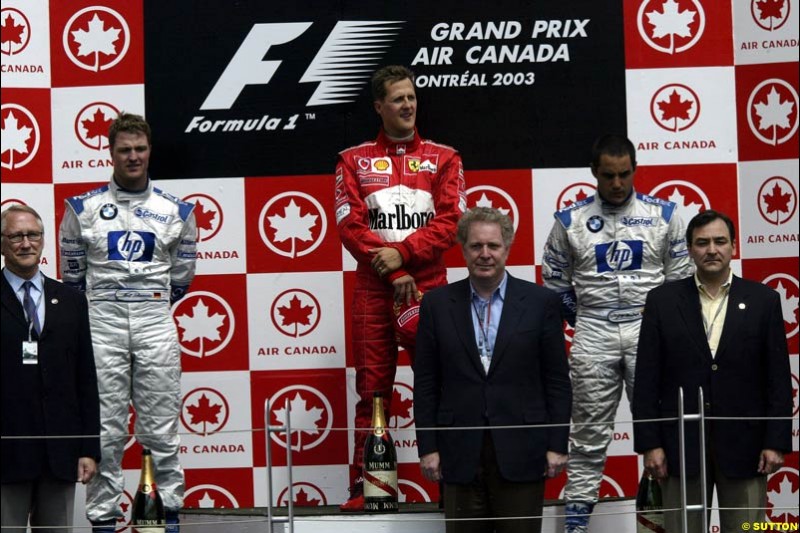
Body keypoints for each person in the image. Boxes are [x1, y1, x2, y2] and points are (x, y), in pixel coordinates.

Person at [541, 133, 693, 532]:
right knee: (588, 436)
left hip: (649, 329)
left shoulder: (663, 215)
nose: (617, 183)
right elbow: (554, 280)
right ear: (594, 173)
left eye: (625, 174)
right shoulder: (569, 220)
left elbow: (680, 280)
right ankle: (576, 526)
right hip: (595, 328)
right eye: (608, 175)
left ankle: (677, 522)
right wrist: (583, 319)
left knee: (663, 431)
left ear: (635, 170)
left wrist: (660, 326)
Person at [335, 65, 466, 511]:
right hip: (375, 290)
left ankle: (455, 481)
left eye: (411, 97)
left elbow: (451, 224)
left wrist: (405, 254)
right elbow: (349, 225)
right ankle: (369, 489)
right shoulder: (352, 159)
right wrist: (393, 270)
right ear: (379, 106)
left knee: (444, 383)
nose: (408, 105)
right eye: (397, 99)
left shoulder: (444, 157)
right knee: (372, 391)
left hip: (429, 289)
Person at [59, 113, 197, 532]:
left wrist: (147, 305)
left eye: (139, 148)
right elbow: (73, 278)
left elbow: (181, 280)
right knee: (105, 430)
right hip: (101, 325)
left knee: (161, 427)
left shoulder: (177, 211)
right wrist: (109, 308)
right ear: (111, 153)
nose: (133, 157)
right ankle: (103, 520)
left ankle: (165, 516)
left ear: (149, 150)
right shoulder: (81, 209)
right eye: (124, 150)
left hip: (155, 322)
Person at [632, 210, 792, 532]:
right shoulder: (662, 301)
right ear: (690, 249)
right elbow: (647, 380)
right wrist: (650, 445)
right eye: (702, 242)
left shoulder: (764, 301)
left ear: (733, 247)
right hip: (679, 451)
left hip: (746, 450)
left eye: (720, 241)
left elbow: (777, 379)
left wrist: (776, 442)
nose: (711, 249)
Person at [414, 207, 572, 533]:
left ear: (507, 248)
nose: (485, 254)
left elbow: (556, 380)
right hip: (459, 454)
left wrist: (557, 444)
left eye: (493, 246)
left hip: (523, 450)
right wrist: (428, 447)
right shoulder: (436, 305)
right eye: (476, 246)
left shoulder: (542, 302)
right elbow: (427, 383)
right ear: (463, 248)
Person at [1, 205, 101, 532]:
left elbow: (85, 378)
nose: (26, 243)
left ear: (43, 241)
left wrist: (88, 448)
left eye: (33, 235)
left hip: (59, 455)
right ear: (2, 243)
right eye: (16, 236)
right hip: (6, 456)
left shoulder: (71, 300)